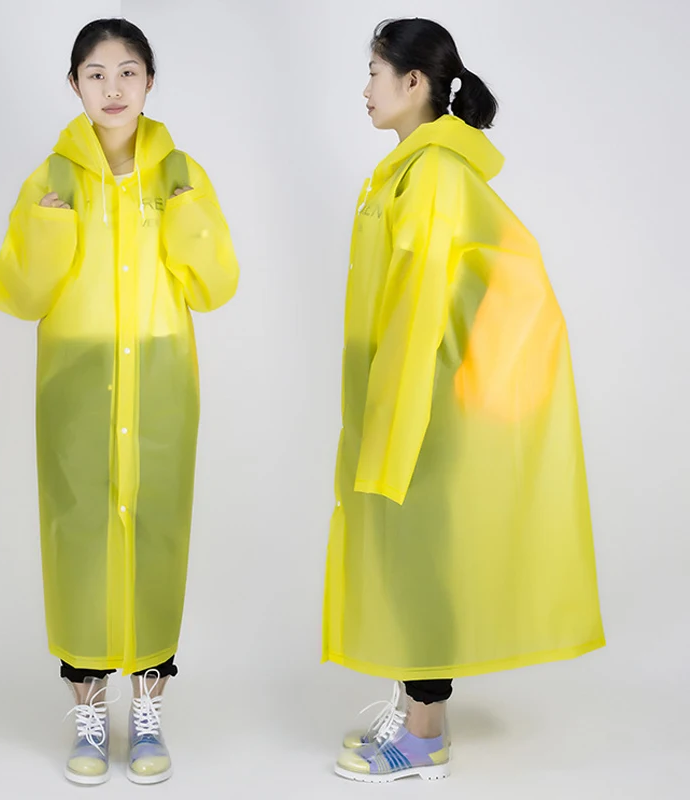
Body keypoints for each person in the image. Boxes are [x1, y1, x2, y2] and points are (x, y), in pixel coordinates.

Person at [323, 18, 604, 783]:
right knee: (414, 556)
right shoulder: (413, 170)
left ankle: (423, 740)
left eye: (375, 71)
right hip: (415, 395)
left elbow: (418, 309)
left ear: (414, 82)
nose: (366, 87)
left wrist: (394, 417)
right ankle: (422, 715)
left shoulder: (433, 175)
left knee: (421, 562)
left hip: (425, 403)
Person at [0, 18, 238, 785]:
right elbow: (23, 294)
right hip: (78, 382)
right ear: (74, 84)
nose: (113, 88)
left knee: (157, 529)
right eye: (95, 74)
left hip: (161, 380)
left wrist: (187, 211)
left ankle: (150, 713)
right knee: (80, 537)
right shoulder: (51, 178)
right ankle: (91, 716)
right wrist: (47, 226)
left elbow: (215, 286)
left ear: (150, 81)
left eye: (128, 71)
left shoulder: (182, 174)